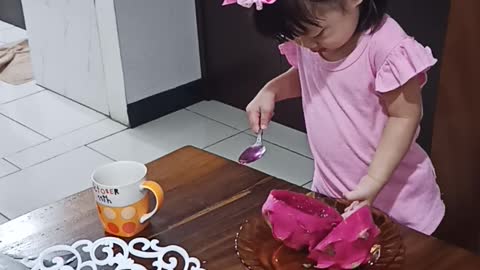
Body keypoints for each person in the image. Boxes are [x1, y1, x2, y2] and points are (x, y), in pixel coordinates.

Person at [223, 0, 445, 234]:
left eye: (317, 34)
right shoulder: (313, 42)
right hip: (335, 194)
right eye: (296, 37)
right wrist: (272, 90)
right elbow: (313, 75)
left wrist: (373, 181)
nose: (307, 46)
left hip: (399, 204)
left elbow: (405, 116)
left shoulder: (385, 45)